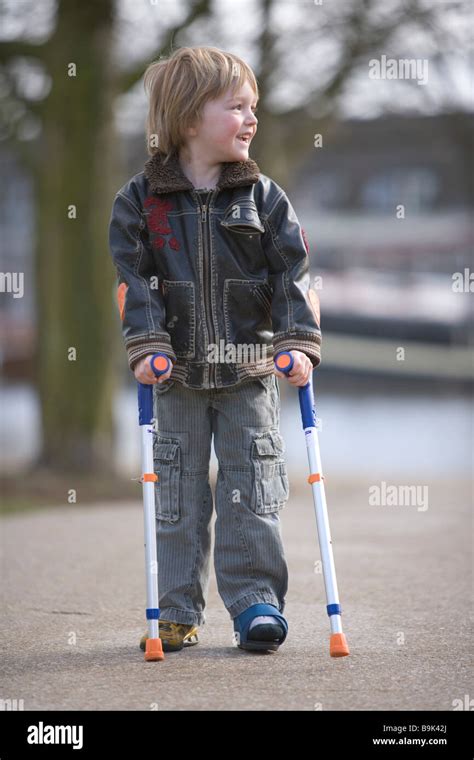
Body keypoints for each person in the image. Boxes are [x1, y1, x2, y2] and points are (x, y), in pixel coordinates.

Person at [109, 46, 322, 653]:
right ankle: (175, 607)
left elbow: (290, 276)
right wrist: (147, 344)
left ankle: (255, 598)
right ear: (187, 119)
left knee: (250, 486)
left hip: (249, 372)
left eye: (253, 107)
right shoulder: (141, 202)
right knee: (176, 493)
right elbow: (134, 280)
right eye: (236, 107)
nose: (251, 119)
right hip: (172, 375)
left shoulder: (264, 198)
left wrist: (296, 343)